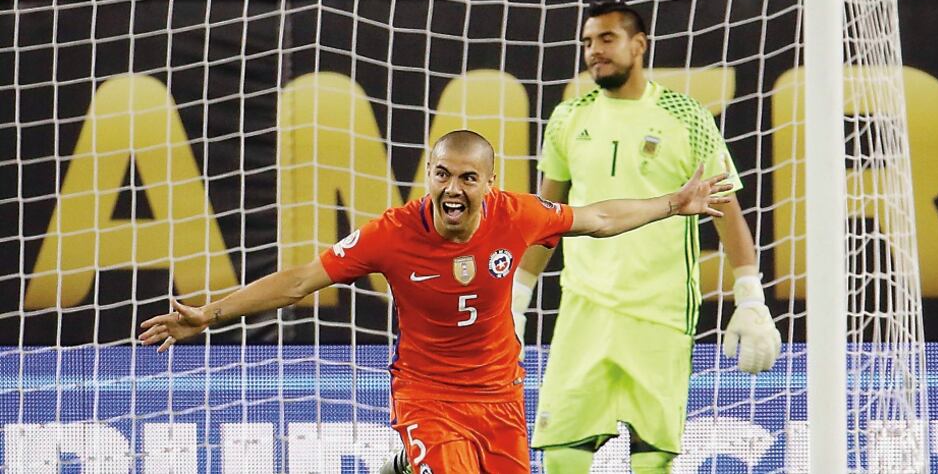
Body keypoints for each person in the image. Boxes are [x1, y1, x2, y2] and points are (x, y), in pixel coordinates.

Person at [139, 129, 733, 474]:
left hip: (500, 393)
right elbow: (299, 281)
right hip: (428, 395)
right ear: (429, 174)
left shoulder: (516, 215)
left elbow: (598, 218)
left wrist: (672, 204)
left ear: (489, 184)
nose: (453, 188)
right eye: (443, 174)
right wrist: (209, 314)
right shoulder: (391, 233)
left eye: (468, 178)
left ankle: (404, 467)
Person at [511, 1, 782, 473]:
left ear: (638, 45)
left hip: (661, 312)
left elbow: (726, 210)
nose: (594, 51)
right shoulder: (568, 117)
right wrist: (515, 300)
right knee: (561, 455)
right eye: (587, 42)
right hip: (584, 309)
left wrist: (750, 298)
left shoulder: (687, 116)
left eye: (607, 39)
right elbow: (545, 219)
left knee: (652, 460)